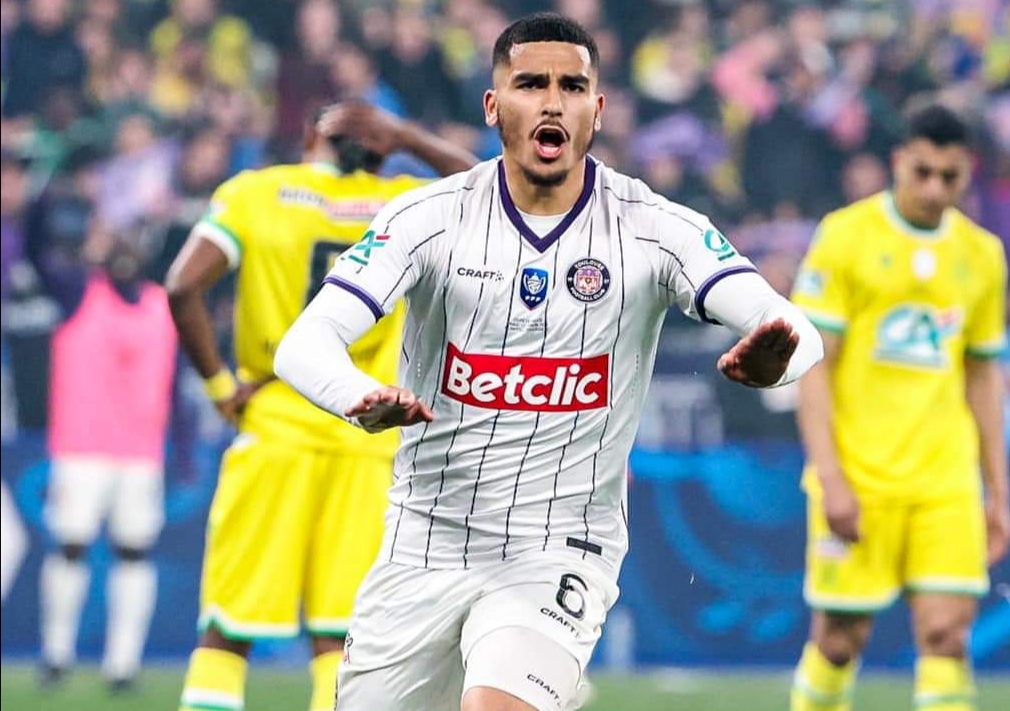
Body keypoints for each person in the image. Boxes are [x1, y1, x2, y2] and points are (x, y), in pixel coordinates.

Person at [274, 13, 824, 711]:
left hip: (562, 546)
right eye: (531, 82)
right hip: (424, 541)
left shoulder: (656, 227)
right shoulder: (427, 218)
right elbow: (306, 342)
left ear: (597, 109)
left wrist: (775, 360)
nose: (552, 100)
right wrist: (355, 393)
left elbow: (798, 331)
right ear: (494, 104)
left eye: (572, 85)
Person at [165, 101, 477, 711]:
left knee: (228, 629)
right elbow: (491, 190)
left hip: (276, 427)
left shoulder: (257, 193)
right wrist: (409, 134)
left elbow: (181, 285)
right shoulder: (406, 204)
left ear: (310, 133)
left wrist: (220, 387)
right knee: (342, 634)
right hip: (369, 434)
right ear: (380, 146)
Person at [789, 103, 1008, 711]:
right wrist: (830, 477)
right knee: (839, 640)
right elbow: (813, 363)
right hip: (860, 474)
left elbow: (984, 376)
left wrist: (999, 491)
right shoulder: (844, 235)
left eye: (951, 176)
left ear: (968, 175)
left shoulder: (983, 255)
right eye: (924, 173)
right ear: (897, 163)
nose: (936, 189)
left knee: (946, 636)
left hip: (944, 482)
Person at [33, 222, 177, 691]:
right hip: (82, 446)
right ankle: (56, 655)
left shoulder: (162, 304)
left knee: (134, 553)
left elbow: (173, 379)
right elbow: (38, 250)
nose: (125, 251)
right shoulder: (80, 292)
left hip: (141, 452)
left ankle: (123, 665)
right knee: (71, 545)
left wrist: (185, 445)